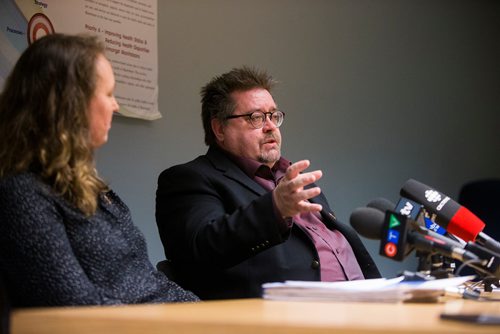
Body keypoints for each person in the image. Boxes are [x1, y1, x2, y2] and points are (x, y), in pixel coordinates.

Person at [0, 33, 199, 307]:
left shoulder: (95, 190)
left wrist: (204, 313)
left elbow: (149, 281)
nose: (115, 105)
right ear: (71, 104)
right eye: (108, 94)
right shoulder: (22, 193)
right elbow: (74, 305)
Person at [155, 66, 381, 300]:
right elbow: (200, 249)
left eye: (274, 116)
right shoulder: (189, 179)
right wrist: (274, 209)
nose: (271, 126)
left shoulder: (291, 177)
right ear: (219, 128)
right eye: (256, 118)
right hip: (291, 317)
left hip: (369, 306)